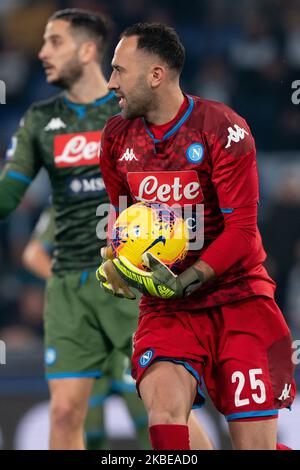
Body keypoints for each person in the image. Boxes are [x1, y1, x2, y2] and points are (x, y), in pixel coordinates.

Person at [0, 10, 211, 451]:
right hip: (69, 287)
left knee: (168, 410)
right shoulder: (40, 121)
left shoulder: (133, 111)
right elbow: (7, 198)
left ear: (88, 49)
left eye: (54, 42)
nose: (42, 52)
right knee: (63, 414)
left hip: (133, 282)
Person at [98, 22, 296, 450]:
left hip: (237, 300)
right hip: (168, 310)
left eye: (118, 70)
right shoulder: (115, 138)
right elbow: (121, 219)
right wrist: (115, 260)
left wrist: (186, 279)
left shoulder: (222, 129)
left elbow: (243, 231)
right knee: (165, 410)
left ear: (155, 75)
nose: (110, 82)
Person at [22, 206, 150, 449]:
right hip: (87, 328)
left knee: (149, 414)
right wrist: (68, 286)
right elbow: (33, 253)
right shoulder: (66, 200)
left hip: (127, 318)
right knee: (87, 427)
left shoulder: (128, 197)